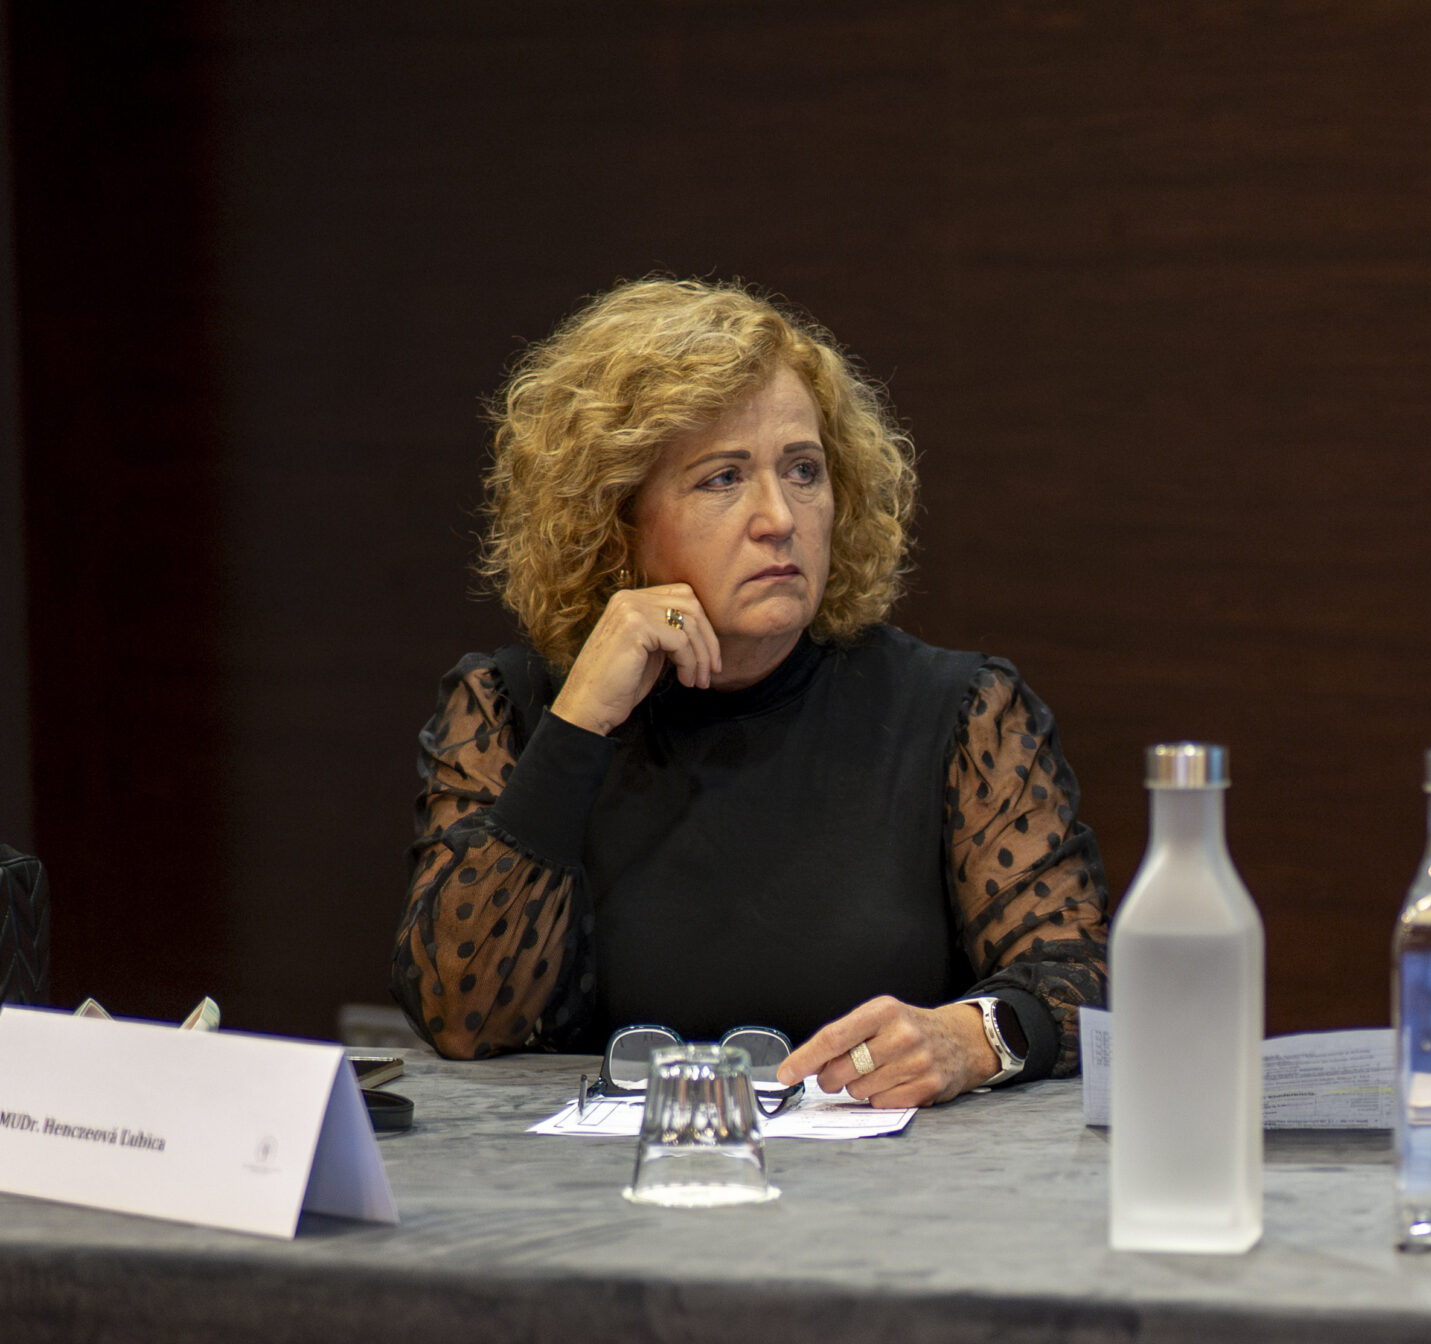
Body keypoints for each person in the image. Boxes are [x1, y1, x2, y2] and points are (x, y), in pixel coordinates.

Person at [393, 279, 1106, 1106]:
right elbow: (460, 1015)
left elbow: (1080, 980)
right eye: (723, 478)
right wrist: (580, 720)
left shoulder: (957, 712)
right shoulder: (511, 709)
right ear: (617, 521)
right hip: (595, 1180)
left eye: (803, 470)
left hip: (876, 1178)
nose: (779, 516)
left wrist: (971, 1039)